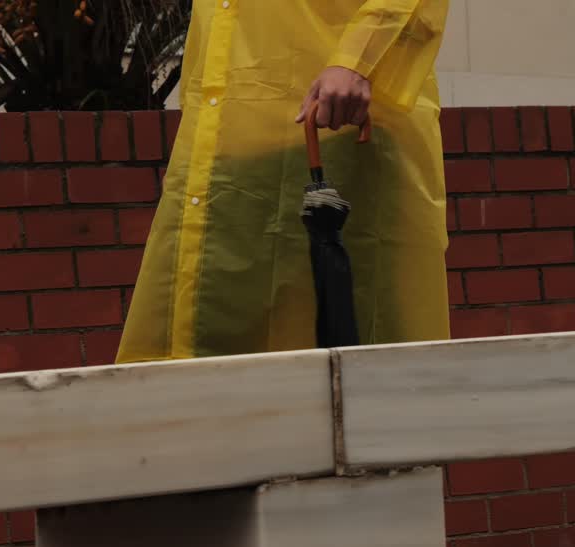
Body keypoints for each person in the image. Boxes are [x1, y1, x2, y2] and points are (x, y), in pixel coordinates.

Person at [116, 0, 451, 363]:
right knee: (208, 331)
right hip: (227, 147)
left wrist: (357, 61)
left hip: (338, 126)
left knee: (350, 332)